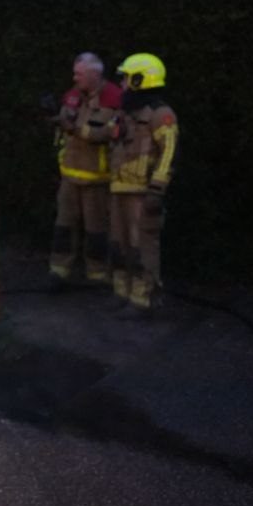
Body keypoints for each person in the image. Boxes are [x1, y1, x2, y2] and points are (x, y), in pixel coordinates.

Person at [109, 53, 178, 318]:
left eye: (126, 78)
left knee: (142, 248)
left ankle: (142, 299)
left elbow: (169, 152)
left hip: (142, 194)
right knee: (119, 245)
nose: (123, 84)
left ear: (140, 79)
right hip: (120, 189)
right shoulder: (125, 113)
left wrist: (157, 190)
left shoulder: (161, 115)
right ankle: (122, 293)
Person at [49, 52, 122, 286]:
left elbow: (108, 133)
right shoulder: (71, 96)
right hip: (69, 177)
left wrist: (75, 128)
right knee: (63, 227)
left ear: (95, 74)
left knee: (97, 231)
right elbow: (62, 129)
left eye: (79, 73)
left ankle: (97, 275)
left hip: (97, 180)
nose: (74, 78)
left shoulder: (114, 99)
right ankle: (59, 272)